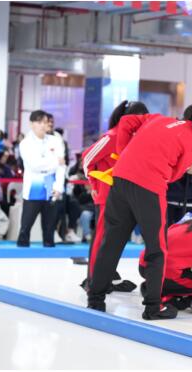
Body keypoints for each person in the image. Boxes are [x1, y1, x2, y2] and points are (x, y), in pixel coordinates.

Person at [87, 105, 192, 320]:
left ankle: (95, 299)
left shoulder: (159, 119)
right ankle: (153, 307)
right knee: (157, 248)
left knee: (111, 242)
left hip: (120, 179)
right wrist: (186, 167)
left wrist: (123, 152)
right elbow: (174, 175)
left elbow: (126, 122)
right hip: (149, 187)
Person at [82, 100, 149, 286]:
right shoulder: (112, 136)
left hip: (125, 197)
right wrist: (94, 186)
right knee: (102, 238)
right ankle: (94, 280)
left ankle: (104, 277)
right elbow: (87, 158)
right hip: (106, 196)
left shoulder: (136, 139)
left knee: (114, 241)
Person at [16, 110, 66, 248]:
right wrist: (55, 161)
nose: (43, 125)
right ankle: (22, 252)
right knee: (26, 225)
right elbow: (35, 165)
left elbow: (62, 166)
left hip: (51, 183)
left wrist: (59, 187)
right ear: (32, 124)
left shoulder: (55, 140)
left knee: (50, 227)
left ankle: (49, 252)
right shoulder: (25, 143)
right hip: (34, 183)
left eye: (45, 122)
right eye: (39, 122)